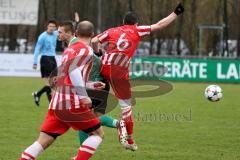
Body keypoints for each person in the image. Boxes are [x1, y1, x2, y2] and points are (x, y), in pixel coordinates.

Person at [91, 3, 184, 151]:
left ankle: (92, 118)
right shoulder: (137, 30)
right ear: (136, 23)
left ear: (123, 22)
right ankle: (129, 139)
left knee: (91, 107)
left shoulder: (112, 30)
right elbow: (159, 25)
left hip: (103, 67)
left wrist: (98, 53)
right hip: (118, 72)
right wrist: (175, 13)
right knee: (126, 107)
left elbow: (94, 41)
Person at [19, 21, 105, 160]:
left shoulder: (69, 49)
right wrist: (83, 95)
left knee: (43, 141)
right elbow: (73, 71)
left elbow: (68, 76)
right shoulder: (85, 50)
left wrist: (91, 85)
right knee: (97, 134)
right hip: (72, 102)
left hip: (57, 102)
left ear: (76, 32)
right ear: (92, 34)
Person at [57, 21, 123, 158]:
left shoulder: (76, 44)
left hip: (94, 84)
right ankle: (119, 124)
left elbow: (80, 66)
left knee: (84, 120)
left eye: (60, 32)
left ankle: (81, 156)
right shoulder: (77, 43)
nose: (57, 34)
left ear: (70, 33)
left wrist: (90, 82)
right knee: (91, 120)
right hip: (96, 84)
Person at [32, 20, 58, 106]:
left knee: (53, 83)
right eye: (50, 26)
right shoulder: (42, 36)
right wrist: (35, 62)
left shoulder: (56, 34)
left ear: (55, 28)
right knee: (48, 84)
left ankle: (38, 94)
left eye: (53, 27)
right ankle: (51, 104)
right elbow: (37, 49)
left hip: (53, 59)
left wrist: (75, 22)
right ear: (47, 27)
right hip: (45, 59)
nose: (52, 28)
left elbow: (67, 30)